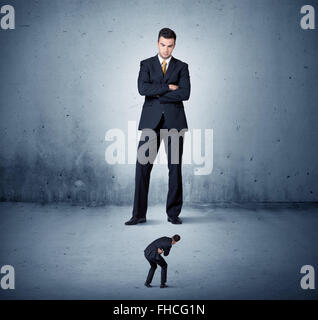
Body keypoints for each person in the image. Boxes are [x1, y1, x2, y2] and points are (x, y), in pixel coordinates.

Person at [125, 27, 191, 225]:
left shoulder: (182, 67)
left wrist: (156, 92)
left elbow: (185, 94)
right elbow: (142, 89)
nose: (166, 50)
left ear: (174, 45)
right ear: (157, 43)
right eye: (163, 45)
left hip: (174, 123)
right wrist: (168, 88)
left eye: (170, 46)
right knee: (142, 168)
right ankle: (138, 215)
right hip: (150, 122)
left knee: (175, 168)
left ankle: (173, 214)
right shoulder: (146, 64)